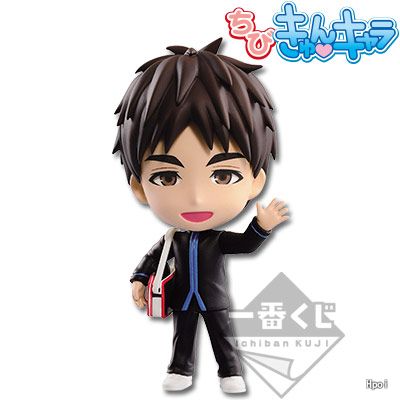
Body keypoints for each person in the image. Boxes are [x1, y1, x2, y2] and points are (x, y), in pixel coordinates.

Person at [113, 38, 289, 393]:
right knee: (183, 336)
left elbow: (244, 245)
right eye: (166, 177)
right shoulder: (171, 238)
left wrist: (261, 226)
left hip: (213, 297)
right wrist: (138, 279)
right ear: (139, 187)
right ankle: (180, 369)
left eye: (223, 176)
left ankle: (231, 372)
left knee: (222, 336)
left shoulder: (217, 239)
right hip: (182, 297)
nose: (196, 197)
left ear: (255, 181)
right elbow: (151, 258)